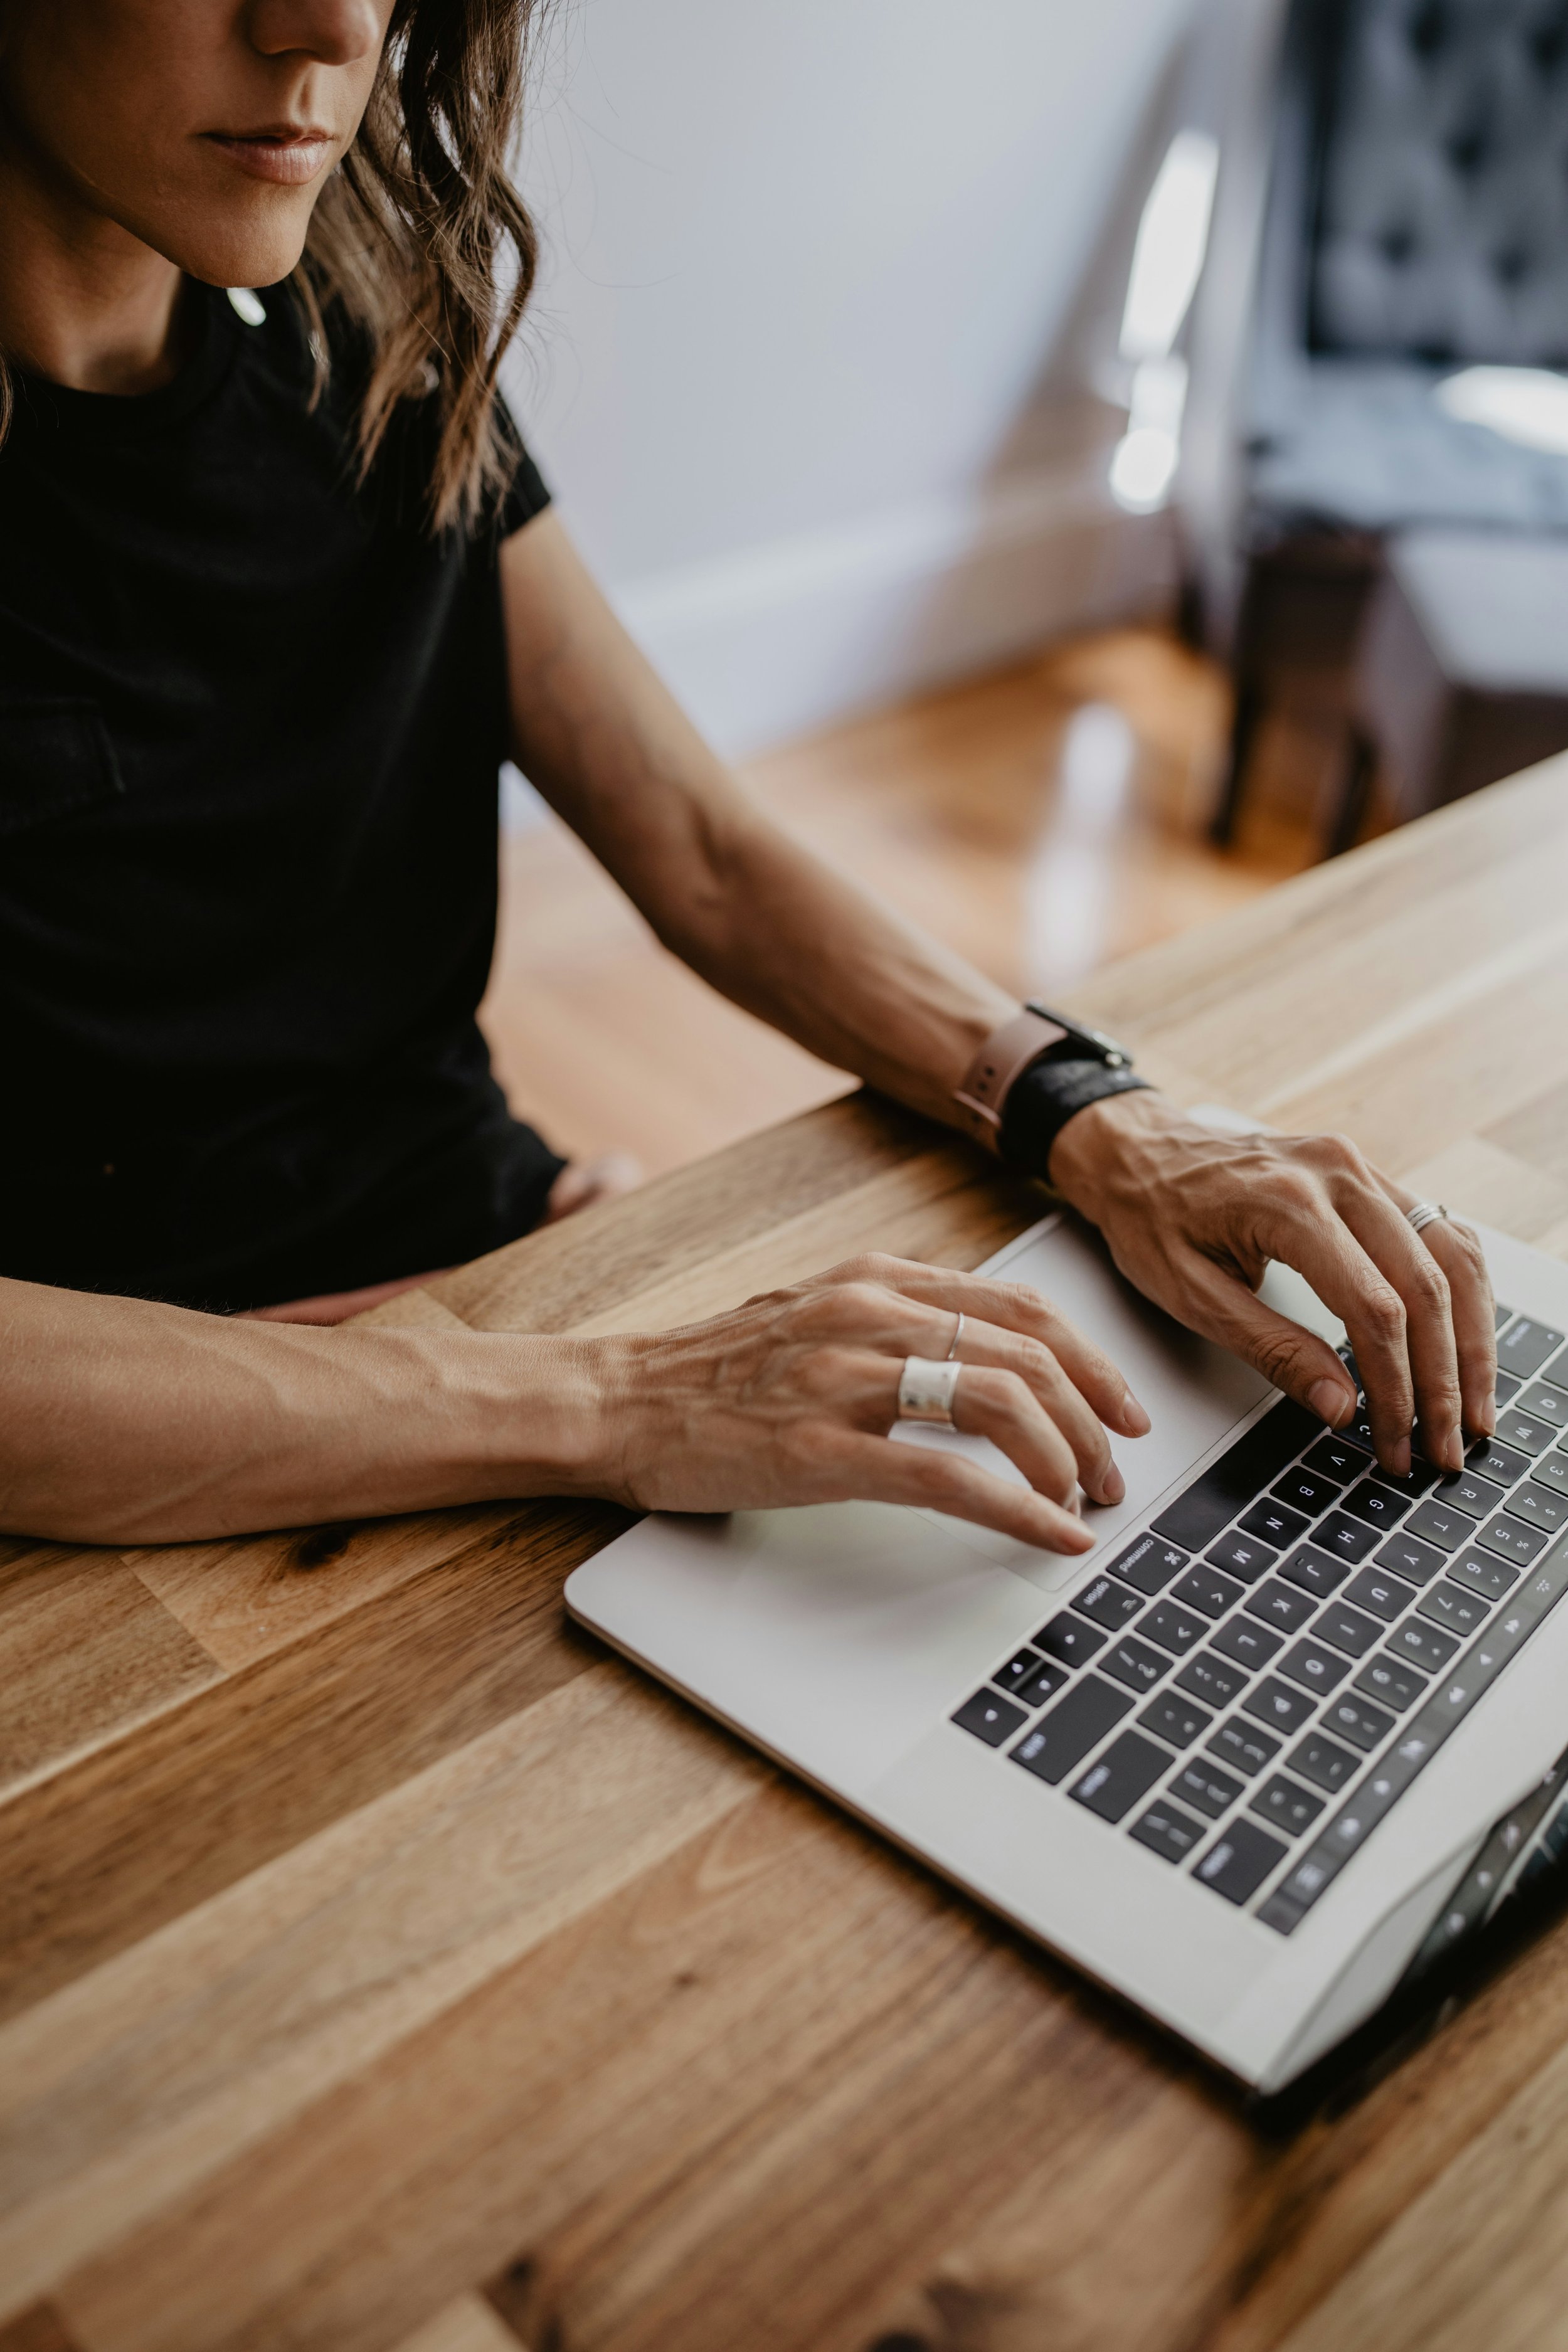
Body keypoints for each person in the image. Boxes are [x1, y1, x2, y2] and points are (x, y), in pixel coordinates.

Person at [0, 0, 1495, 1549]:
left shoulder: (373, 333)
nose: (329, 24)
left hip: (501, 1283)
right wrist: (618, 1401)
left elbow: (695, 842)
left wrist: (1089, 1114)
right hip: (135, 1456)